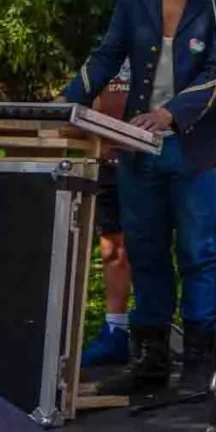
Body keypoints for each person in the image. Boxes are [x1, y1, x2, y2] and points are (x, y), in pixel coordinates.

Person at [58, 0, 216, 394]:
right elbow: (107, 55)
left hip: (195, 145)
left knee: (200, 252)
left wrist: (171, 113)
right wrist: (62, 106)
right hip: (137, 145)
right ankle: (151, 359)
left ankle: (202, 361)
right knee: (145, 250)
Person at [80, 61, 134, 367]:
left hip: (145, 164)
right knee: (112, 250)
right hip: (107, 165)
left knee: (146, 246)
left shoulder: (160, 47)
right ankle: (115, 330)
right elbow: (88, 102)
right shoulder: (104, 56)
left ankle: (154, 332)